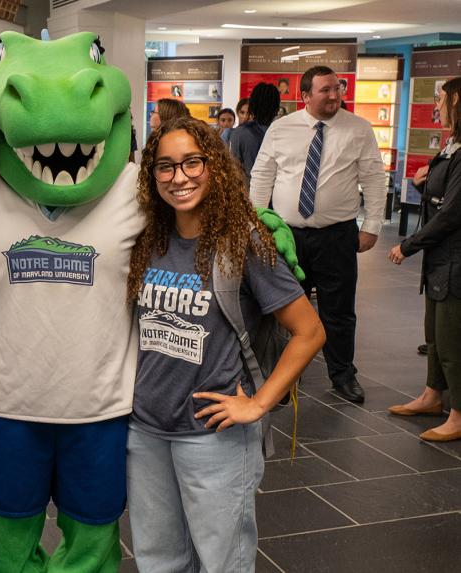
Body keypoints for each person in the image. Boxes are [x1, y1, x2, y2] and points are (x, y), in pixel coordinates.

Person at [126, 116, 324, 573]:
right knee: (159, 560)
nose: (179, 177)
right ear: (152, 175)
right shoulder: (147, 240)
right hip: (146, 430)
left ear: (213, 166)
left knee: (223, 562)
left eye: (192, 162)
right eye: (165, 167)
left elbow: (310, 331)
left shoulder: (243, 241)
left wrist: (257, 405)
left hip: (212, 435)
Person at [250, 65, 386, 404]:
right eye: (325, 90)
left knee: (338, 310)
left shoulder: (358, 129)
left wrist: (371, 226)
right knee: (281, 309)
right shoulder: (281, 129)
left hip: (337, 236)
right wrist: (255, 222)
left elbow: (373, 179)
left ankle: (342, 375)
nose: (334, 95)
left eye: (337, 88)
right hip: (286, 235)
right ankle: (281, 380)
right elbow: (262, 176)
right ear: (305, 95)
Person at [387, 76, 461, 442]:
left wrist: (408, 244)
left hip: (455, 262)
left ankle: (458, 415)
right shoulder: (452, 144)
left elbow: (451, 213)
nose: (436, 105)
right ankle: (433, 396)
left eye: (440, 98)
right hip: (440, 261)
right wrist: (425, 181)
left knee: (451, 341)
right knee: (434, 335)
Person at [229, 82, 281, 183]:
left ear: (252, 106)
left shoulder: (239, 133)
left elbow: (233, 169)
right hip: (276, 193)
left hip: (247, 193)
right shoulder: (282, 133)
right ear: (277, 108)